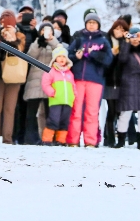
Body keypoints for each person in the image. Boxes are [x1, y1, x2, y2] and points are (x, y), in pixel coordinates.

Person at [65, 9, 112, 147]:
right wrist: (76, 57)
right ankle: (73, 140)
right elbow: (67, 55)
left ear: (98, 25)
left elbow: (109, 59)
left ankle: (90, 141)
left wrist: (93, 54)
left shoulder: (103, 40)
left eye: (94, 23)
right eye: (89, 22)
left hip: (96, 80)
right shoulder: (79, 38)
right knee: (76, 110)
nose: (91, 25)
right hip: (78, 78)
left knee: (92, 111)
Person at [114, 24, 140, 149]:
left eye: (137, 35)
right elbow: (122, 59)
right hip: (128, 83)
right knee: (125, 113)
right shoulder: (125, 47)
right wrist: (126, 43)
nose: (135, 39)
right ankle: (121, 140)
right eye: (133, 36)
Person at [0, 11, 26, 144]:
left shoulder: (20, 35)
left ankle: (7, 139)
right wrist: (3, 39)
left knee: (10, 109)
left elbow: (21, 50)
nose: (7, 28)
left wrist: (13, 39)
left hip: (14, 76)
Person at [22, 21, 60, 144]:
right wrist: (39, 42)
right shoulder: (36, 43)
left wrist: (52, 41)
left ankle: (49, 138)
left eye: (49, 30)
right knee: (31, 113)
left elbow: (61, 54)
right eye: (44, 30)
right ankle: (30, 139)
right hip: (35, 82)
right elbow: (30, 56)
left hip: (50, 83)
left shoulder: (55, 44)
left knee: (50, 113)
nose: (46, 33)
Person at [102, 18, 128, 147]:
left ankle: (108, 136)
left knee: (117, 111)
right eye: (117, 28)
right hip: (108, 80)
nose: (119, 32)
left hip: (121, 81)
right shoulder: (106, 40)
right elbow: (104, 62)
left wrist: (125, 44)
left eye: (122, 30)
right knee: (111, 110)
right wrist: (111, 54)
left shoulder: (125, 43)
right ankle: (110, 139)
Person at [41, 45, 74, 145]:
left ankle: (61, 140)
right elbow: (45, 84)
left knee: (64, 121)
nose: (62, 59)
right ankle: (47, 140)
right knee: (53, 120)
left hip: (67, 101)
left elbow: (73, 86)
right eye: (59, 57)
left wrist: (74, 96)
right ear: (55, 58)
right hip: (55, 100)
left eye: (64, 57)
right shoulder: (51, 71)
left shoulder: (69, 73)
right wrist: (52, 92)